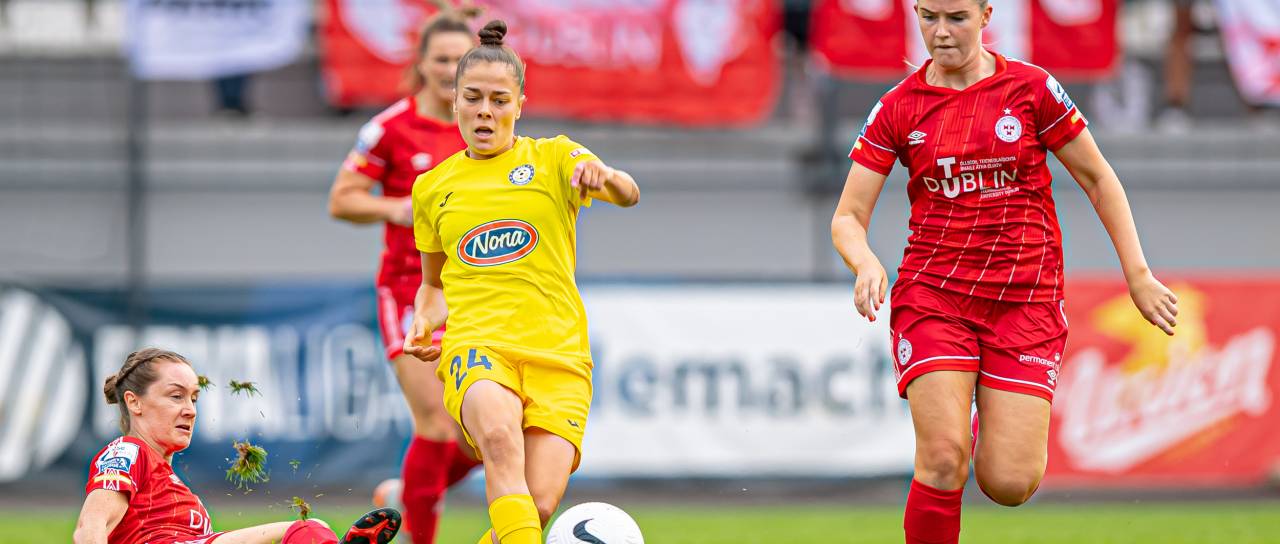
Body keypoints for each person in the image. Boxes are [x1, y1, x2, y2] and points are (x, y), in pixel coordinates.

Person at [829, 1, 1180, 543]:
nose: (941, 32)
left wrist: (1137, 274)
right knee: (943, 459)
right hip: (934, 295)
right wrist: (865, 260)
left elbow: (1098, 179)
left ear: (986, 15)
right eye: (929, 17)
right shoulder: (899, 107)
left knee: (1010, 481)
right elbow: (848, 217)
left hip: (1025, 300)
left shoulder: (1031, 89)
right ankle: (953, 413)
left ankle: (975, 407)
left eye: (956, 18)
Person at [402, 19, 640, 544]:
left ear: (520, 105)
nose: (485, 111)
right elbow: (434, 285)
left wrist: (606, 177)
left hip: (559, 354)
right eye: (473, 98)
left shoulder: (555, 158)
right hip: (478, 345)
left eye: (499, 100)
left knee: (539, 504)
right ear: (455, 102)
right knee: (499, 438)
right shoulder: (432, 188)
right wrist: (423, 317)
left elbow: (629, 193)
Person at [327, 3, 481, 542]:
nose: (449, 70)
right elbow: (342, 199)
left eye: (460, 59)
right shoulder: (390, 128)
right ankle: (421, 532)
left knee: (483, 436)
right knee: (436, 423)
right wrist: (398, 207)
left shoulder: (486, 127)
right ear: (420, 62)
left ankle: (408, 493)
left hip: (475, 294)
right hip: (409, 291)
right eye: (440, 59)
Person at [73, 348, 401, 544]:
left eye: (193, 398)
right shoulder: (128, 451)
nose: (190, 410)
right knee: (308, 530)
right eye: (175, 396)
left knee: (311, 532)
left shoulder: (173, 486)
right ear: (134, 402)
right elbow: (90, 528)